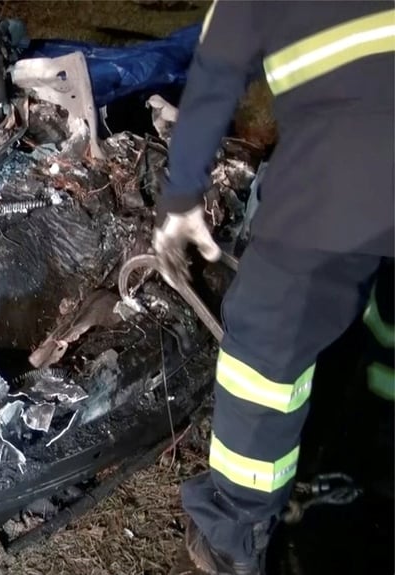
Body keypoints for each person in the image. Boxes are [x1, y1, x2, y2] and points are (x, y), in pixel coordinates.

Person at [152, 1, 395, 574]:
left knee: (263, 343)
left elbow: (214, 75)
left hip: (341, 175)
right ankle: (377, 454)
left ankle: (236, 531)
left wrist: (181, 197)